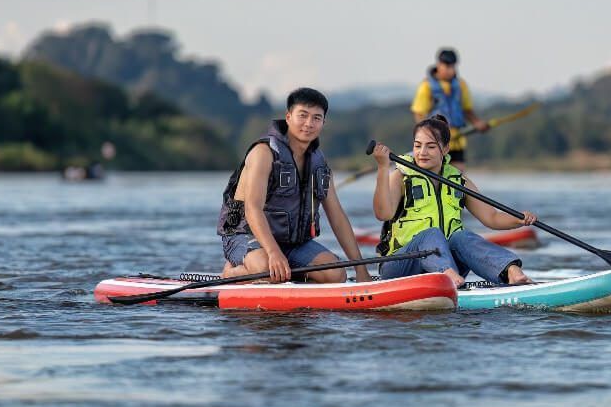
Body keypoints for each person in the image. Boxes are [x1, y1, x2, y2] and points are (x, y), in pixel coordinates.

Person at [218, 87, 371, 284]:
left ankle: (284, 271)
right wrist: (273, 252)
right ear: (288, 117)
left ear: (323, 122)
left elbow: (337, 216)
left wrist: (360, 269)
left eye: (316, 118)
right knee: (266, 270)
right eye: (303, 115)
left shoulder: (319, 162)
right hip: (244, 235)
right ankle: (233, 273)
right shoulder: (263, 153)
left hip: (292, 243)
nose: (309, 124)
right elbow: (252, 208)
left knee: (336, 275)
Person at [369, 115, 535, 288]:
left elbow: (492, 218)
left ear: (446, 149)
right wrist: (382, 168)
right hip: (401, 266)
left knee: (461, 236)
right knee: (432, 234)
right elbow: (382, 213)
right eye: (417, 146)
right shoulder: (401, 176)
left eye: (431, 146)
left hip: (448, 266)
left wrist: (519, 219)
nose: (422, 152)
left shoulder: (458, 180)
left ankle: (510, 272)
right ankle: (447, 276)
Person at [410, 47, 488, 171]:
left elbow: (467, 110)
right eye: (446, 66)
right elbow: (419, 114)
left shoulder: (461, 85)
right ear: (438, 64)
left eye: (452, 66)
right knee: (437, 173)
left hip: (457, 140)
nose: (449, 70)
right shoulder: (427, 86)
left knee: (458, 174)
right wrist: (427, 136)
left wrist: (477, 123)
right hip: (436, 141)